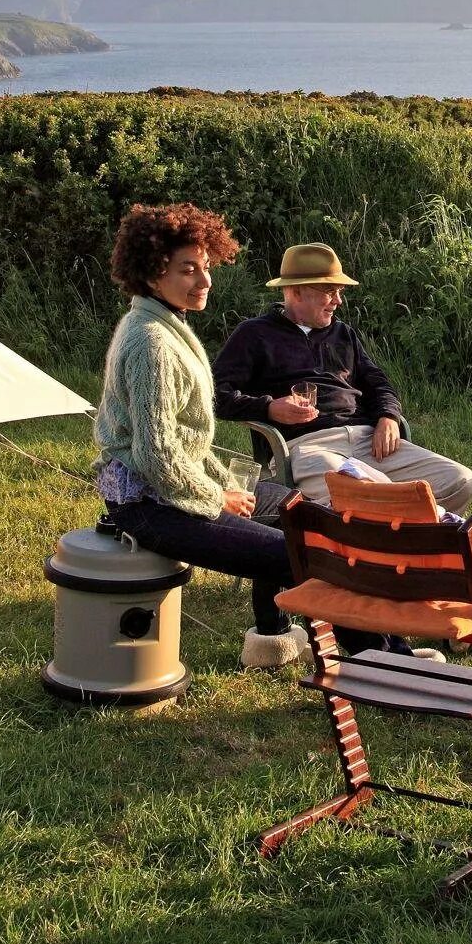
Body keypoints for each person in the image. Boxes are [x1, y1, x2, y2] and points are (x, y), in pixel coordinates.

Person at [93, 205, 394, 669]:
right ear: (153, 274)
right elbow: (158, 452)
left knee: (310, 519)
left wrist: (227, 483)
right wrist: (217, 497)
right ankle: (384, 663)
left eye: (206, 267)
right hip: (149, 504)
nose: (203, 280)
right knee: (304, 553)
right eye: (187, 269)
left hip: (174, 487)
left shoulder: (166, 326)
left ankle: (286, 639)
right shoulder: (150, 341)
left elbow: (183, 441)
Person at [211, 243, 472, 516]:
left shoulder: (343, 334)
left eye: (339, 291)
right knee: (371, 492)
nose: (338, 301)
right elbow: (214, 396)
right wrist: (269, 407)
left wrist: (388, 416)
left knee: (460, 481)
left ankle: (408, 542)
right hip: (308, 447)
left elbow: (378, 383)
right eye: (329, 291)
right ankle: (414, 539)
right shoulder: (254, 334)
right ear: (296, 291)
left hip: (368, 440)